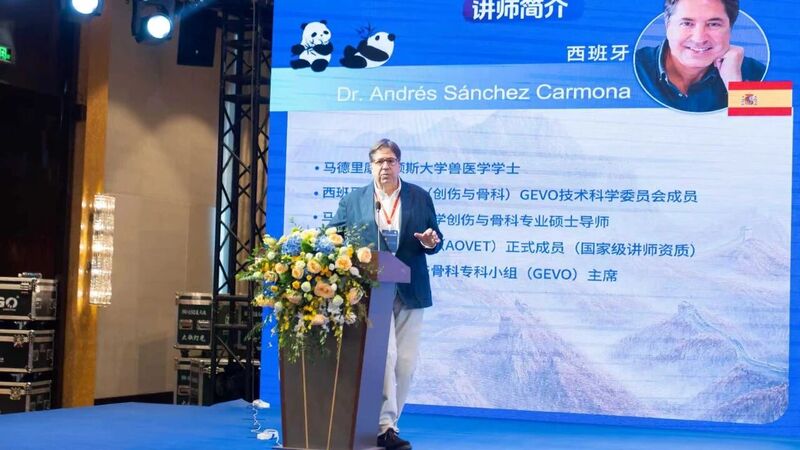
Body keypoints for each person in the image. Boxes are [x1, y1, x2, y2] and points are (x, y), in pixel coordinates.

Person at [328, 138, 442, 450]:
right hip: (372, 291)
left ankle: (389, 424)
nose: (385, 167)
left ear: (399, 164)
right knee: (386, 355)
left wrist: (430, 242)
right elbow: (332, 235)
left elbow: (435, 238)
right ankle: (384, 427)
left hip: (410, 289)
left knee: (405, 363)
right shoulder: (354, 200)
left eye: (391, 161)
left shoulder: (419, 197)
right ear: (371, 166)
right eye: (379, 161)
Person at [635, 0, 766, 112]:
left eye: (713, 24)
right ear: (667, 26)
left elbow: (769, 128)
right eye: (687, 23)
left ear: (730, 28)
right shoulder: (633, 66)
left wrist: (735, 85)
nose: (699, 39)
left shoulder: (757, 72)